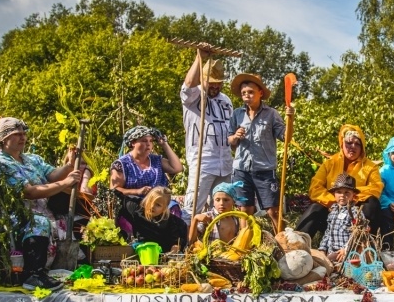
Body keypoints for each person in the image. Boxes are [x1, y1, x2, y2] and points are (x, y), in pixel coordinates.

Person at [0, 117, 81, 291]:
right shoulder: (1, 163)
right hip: (16, 214)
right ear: (3, 139)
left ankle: (51, 270)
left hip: (42, 210)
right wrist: (65, 183)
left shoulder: (32, 159)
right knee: (37, 222)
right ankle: (33, 274)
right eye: (17, 134)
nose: (22, 137)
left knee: (73, 223)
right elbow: (29, 192)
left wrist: (69, 165)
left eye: (24, 134)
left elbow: (53, 175)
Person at [227, 73, 294, 231]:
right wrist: (235, 136)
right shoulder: (237, 114)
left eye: (250, 92)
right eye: (244, 93)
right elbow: (229, 140)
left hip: (264, 170)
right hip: (241, 169)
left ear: (260, 93)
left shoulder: (271, 114)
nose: (247, 96)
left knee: (273, 210)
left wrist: (291, 119)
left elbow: (286, 137)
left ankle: (281, 243)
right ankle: (245, 243)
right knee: (245, 209)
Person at [295, 125, 383, 239]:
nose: (353, 147)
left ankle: (363, 246)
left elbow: (376, 188)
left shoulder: (370, 166)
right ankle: (295, 245)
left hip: (356, 217)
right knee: (315, 208)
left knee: (372, 202)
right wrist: (334, 202)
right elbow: (315, 188)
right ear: (342, 143)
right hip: (332, 215)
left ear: (362, 147)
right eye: (349, 143)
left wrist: (350, 198)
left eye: (357, 144)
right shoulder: (330, 163)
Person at [181, 53, 234, 224]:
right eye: (211, 82)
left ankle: (217, 241)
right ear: (202, 80)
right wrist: (199, 57)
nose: (215, 87)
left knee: (222, 207)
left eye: (218, 83)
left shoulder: (225, 101)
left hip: (225, 163)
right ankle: (185, 243)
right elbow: (189, 83)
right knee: (193, 206)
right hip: (203, 162)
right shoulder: (194, 96)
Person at [110, 125, 183, 235]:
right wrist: (137, 191)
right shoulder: (122, 164)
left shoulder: (156, 160)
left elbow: (177, 168)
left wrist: (164, 144)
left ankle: (173, 243)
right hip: (136, 205)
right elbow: (114, 189)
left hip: (159, 202)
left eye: (151, 141)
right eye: (144, 141)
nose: (148, 144)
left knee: (173, 208)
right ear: (133, 143)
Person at [123, 186, 188, 253]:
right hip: (140, 251)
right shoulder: (137, 209)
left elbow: (176, 243)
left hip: (161, 254)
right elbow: (117, 195)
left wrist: (170, 254)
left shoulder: (170, 221)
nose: (152, 206)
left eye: (158, 205)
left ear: (164, 208)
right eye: (151, 201)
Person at [318, 173, 363, 263]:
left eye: (347, 192)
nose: (342, 195)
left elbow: (359, 235)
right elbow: (328, 232)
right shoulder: (333, 211)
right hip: (332, 253)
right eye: (339, 192)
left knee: (345, 272)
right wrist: (322, 249)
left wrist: (346, 249)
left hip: (347, 253)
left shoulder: (355, 212)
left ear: (353, 194)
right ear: (334, 194)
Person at [188, 181, 242, 245]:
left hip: (231, 253)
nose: (221, 203)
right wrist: (195, 220)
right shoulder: (207, 217)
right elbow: (191, 241)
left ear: (233, 201)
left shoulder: (237, 219)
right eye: (217, 200)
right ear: (213, 201)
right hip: (211, 254)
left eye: (226, 200)